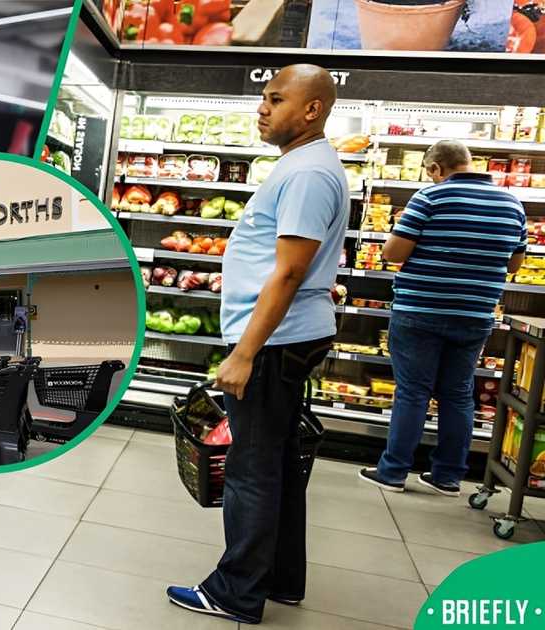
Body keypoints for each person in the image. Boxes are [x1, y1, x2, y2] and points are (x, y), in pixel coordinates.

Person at [166, 64, 348, 625]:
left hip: (274, 343)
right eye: (263, 98)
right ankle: (281, 579)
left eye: (275, 98)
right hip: (288, 336)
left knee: (252, 468)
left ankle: (236, 592)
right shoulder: (305, 166)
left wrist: (244, 352)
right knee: (280, 464)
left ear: (312, 109)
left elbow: (289, 273)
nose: (262, 108)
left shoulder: (308, 174)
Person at [360, 140, 527, 497]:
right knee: (458, 394)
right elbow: (514, 264)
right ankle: (448, 476)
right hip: (475, 313)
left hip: (422, 309)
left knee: (413, 392)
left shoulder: (430, 198)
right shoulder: (512, 204)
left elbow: (392, 254)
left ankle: (393, 472)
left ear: (437, 168)